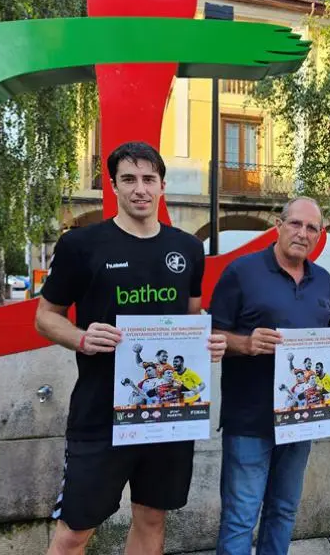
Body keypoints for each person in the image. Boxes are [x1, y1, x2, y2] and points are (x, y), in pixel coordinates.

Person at [35, 142, 227, 555]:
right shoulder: (82, 246)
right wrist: (82, 338)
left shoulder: (189, 249)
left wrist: (206, 340)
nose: (140, 189)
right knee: (73, 533)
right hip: (100, 413)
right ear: (114, 186)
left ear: (161, 186)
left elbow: (192, 317)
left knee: (152, 517)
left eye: (148, 179)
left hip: (168, 417)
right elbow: (45, 317)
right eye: (129, 180)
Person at [209, 197, 330, 555]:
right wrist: (246, 342)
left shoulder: (324, 280)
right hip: (249, 419)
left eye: (312, 228)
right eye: (296, 224)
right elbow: (210, 335)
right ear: (278, 224)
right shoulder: (241, 271)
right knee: (241, 517)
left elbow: (324, 338)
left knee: (284, 511)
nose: (302, 234)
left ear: (319, 235)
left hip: (301, 420)